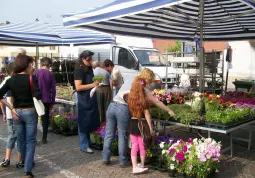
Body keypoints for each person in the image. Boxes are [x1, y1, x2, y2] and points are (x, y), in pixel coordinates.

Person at [102, 68, 174, 167]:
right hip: (122, 108)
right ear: (148, 79)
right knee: (122, 135)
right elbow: (157, 102)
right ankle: (123, 161)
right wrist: (169, 110)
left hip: (112, 106)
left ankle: (105, 158)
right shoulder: (142, 88)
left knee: (109, 134)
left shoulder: (131, 79)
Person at [0, 54, 42, 178]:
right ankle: (27, 170)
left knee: (21, 140)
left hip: (16, 112)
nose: (32, 66)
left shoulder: (10, 79)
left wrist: (11, 107)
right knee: (30, 140)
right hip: (29, 112)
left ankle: (25, 162)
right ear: (27, 65)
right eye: (31, 64)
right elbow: (38, 96)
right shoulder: (31, 77)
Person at [74, 50, 100, 154]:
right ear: (83, 58)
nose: (91, 61)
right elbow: (78, 87)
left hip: (90, 97)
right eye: (89, 59)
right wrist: (93, 85)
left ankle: (88, 142)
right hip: (83, 99)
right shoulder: (79, 69)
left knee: (90, 120)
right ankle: (84, 145)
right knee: (84, 121)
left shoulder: (89, 68)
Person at [0, 62, 23, 168]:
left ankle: (7, 159)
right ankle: (19, 160)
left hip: (9, 114)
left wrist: (4, 113)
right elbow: (11, 97)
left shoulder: (4, 81)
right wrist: (13, 109)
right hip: (15, 113)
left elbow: (1, 99)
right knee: (19, 137)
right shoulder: (12, 81)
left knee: (11, 135)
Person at [127, 77, 152, 174]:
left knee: (134, 146)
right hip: (141, 124)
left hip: (132, 123)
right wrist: (150, 127)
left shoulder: (129, 98)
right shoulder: (143, 100)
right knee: (142, 146)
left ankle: (134, 166)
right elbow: (147, 114)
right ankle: (141, 164)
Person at [34, 57, 56, 144]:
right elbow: (53, 89)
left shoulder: (35, 72)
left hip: (36, 98)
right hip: (46, 98)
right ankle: (44, 138)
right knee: (45, 119)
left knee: (34, 119)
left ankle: (34, 138)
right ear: (49, 65)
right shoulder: (50, 74)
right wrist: (52, 101)